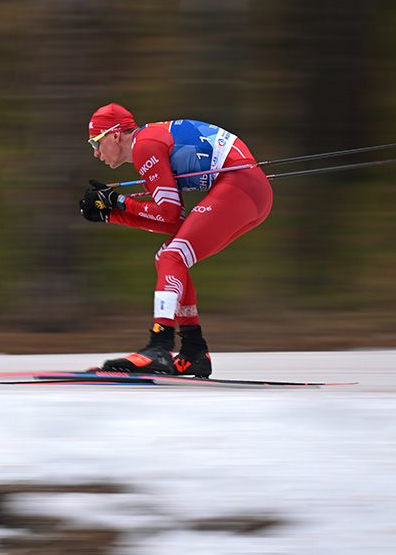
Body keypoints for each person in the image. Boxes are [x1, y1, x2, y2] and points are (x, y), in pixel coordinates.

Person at [80, 103, 273, 378]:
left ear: (114, 135)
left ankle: (159, 346)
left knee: (173, 256)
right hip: (248, 189)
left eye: (95, 143)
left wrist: (120, 202)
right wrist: (113, 214)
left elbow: (168, 214)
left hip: (241, 185)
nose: (96, 153)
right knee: (170, 256)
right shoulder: (147, 145)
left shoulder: (144, 146)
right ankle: (194, 350)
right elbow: (171, 221)